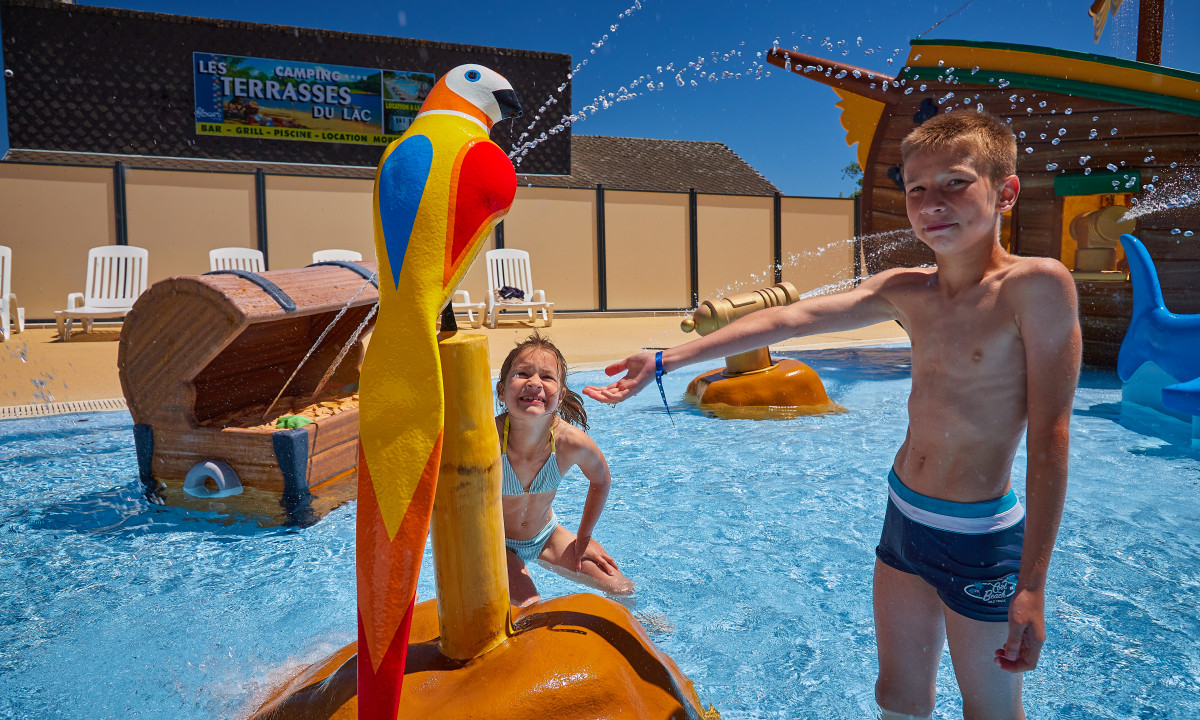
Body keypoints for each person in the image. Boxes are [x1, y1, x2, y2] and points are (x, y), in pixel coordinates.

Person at [584, 110, 1080, 720]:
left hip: (980, 537)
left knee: (991, 708)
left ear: (1005, 193)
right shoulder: (908, 289)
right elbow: (795, 317)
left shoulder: (1036, 286)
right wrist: (669, 357)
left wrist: (1032, 584)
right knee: (897, 695)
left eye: (955, 182)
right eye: (916, 189)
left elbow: (1051, 435)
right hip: (905, 519)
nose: (932, 203)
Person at [496, 332, 635, 607]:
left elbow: (601, 480)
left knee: (621, 587)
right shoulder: (487, 439)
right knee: (530, 606)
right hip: (496, 542)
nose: (534, 383)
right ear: (501, 391)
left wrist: (583, 537)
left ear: (559, 397)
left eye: (547, 377)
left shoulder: (570, 442)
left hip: (545, 536)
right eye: (522, 373)